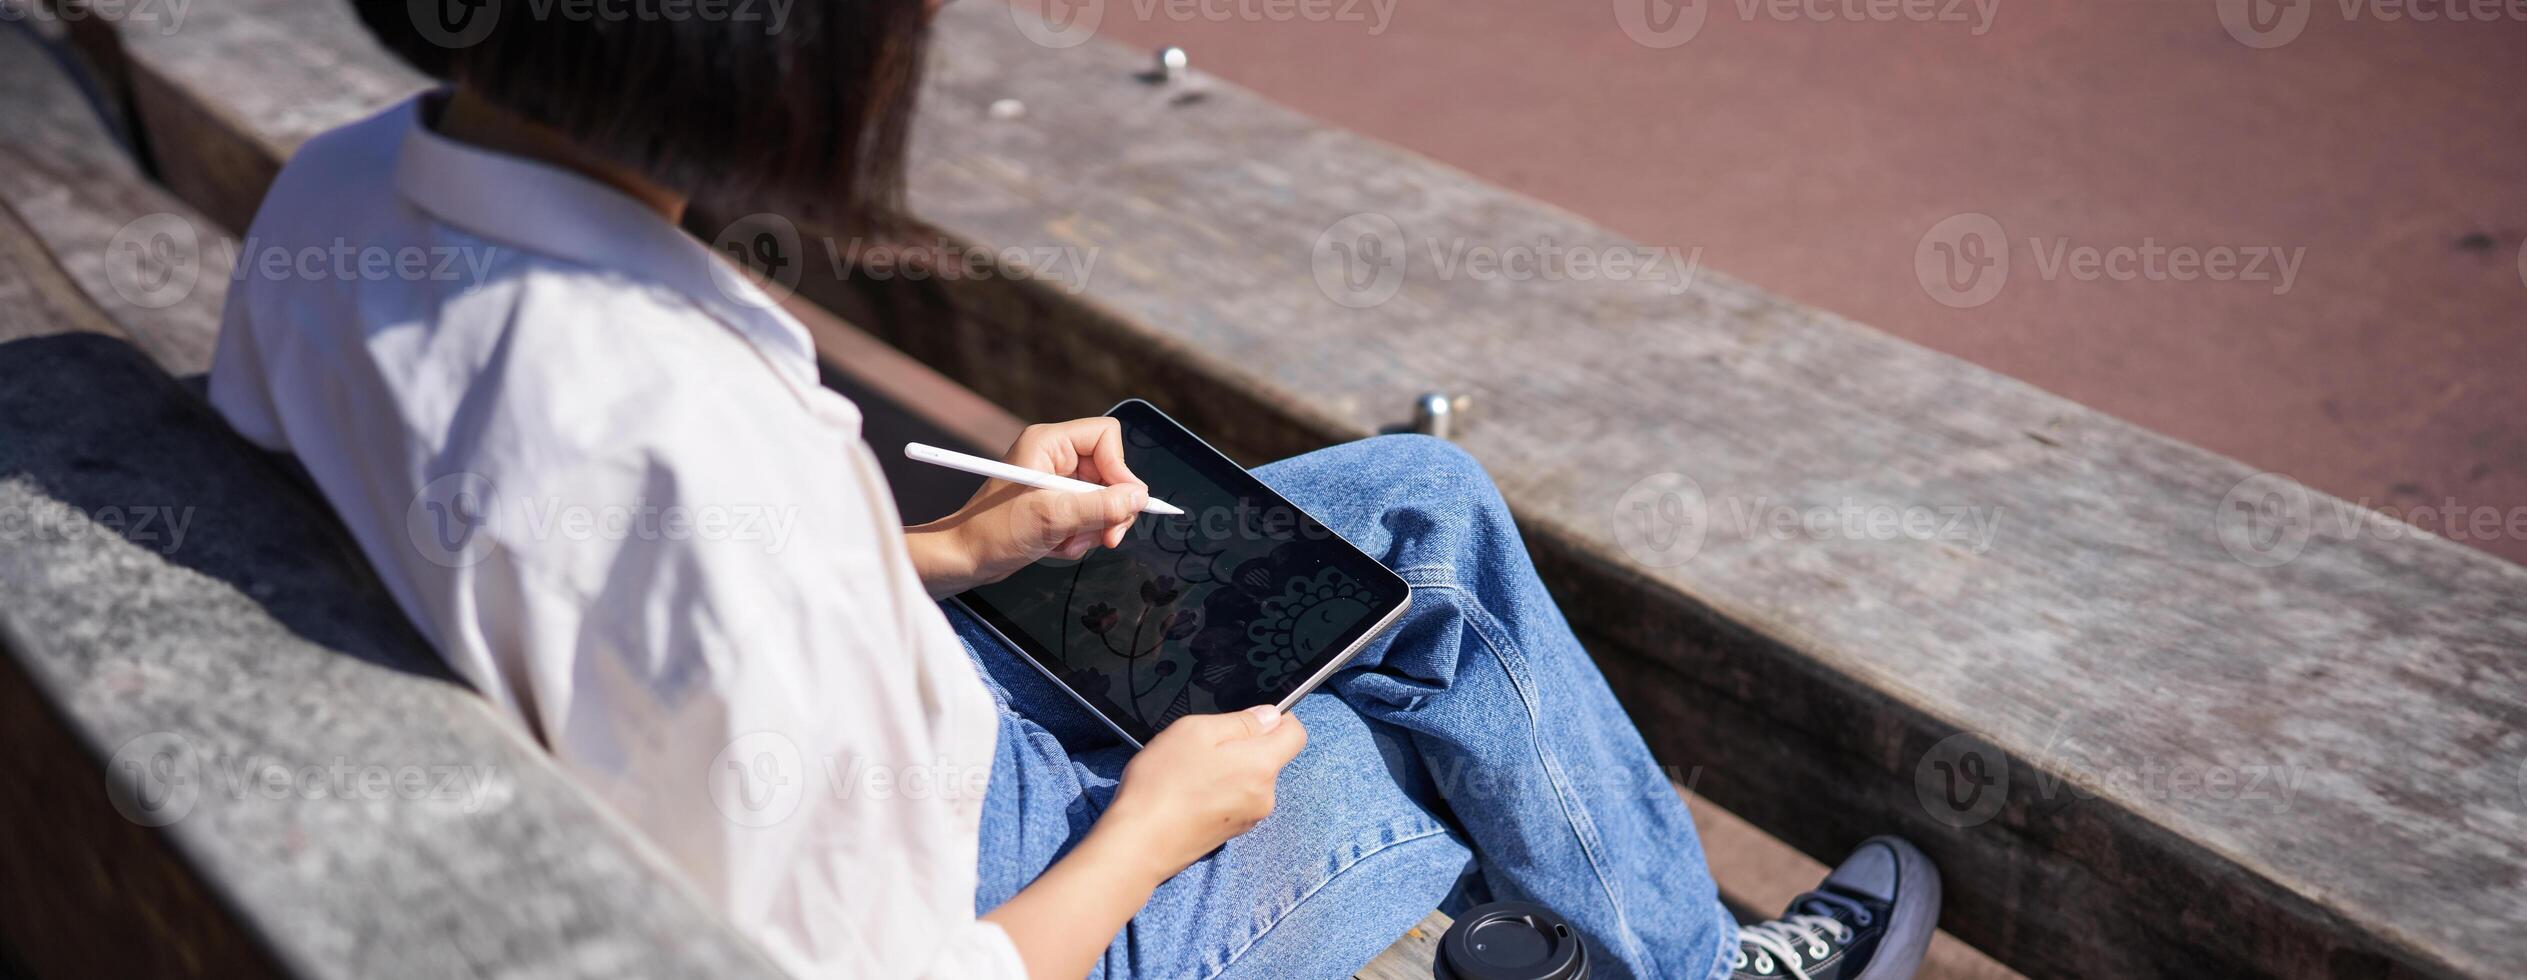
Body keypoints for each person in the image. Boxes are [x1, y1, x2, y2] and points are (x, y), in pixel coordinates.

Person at [205, 2, 1940, 978]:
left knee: (1413, 508)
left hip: (850, 750)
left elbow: (620, 594)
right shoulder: (660, 423)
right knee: (1411, 712)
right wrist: (1155, 827)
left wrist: (949, 552)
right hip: (1002, 907)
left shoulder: (345, 198)